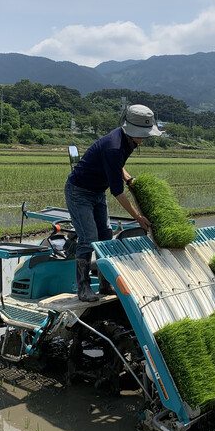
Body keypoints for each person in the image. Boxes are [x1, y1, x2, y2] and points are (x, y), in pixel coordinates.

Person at [64, 104, 161, 301]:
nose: (144, 138)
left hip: (98, 191)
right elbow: (117, 191)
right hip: (79, 192)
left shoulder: (128, 141)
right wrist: (138, 217)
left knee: (106, 236)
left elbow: (118, 167)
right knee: (88, 237)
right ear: (131, 128)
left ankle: (105, 284)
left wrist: (129, 178)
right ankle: (83, 288)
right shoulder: (114, 146)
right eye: (143, 134)